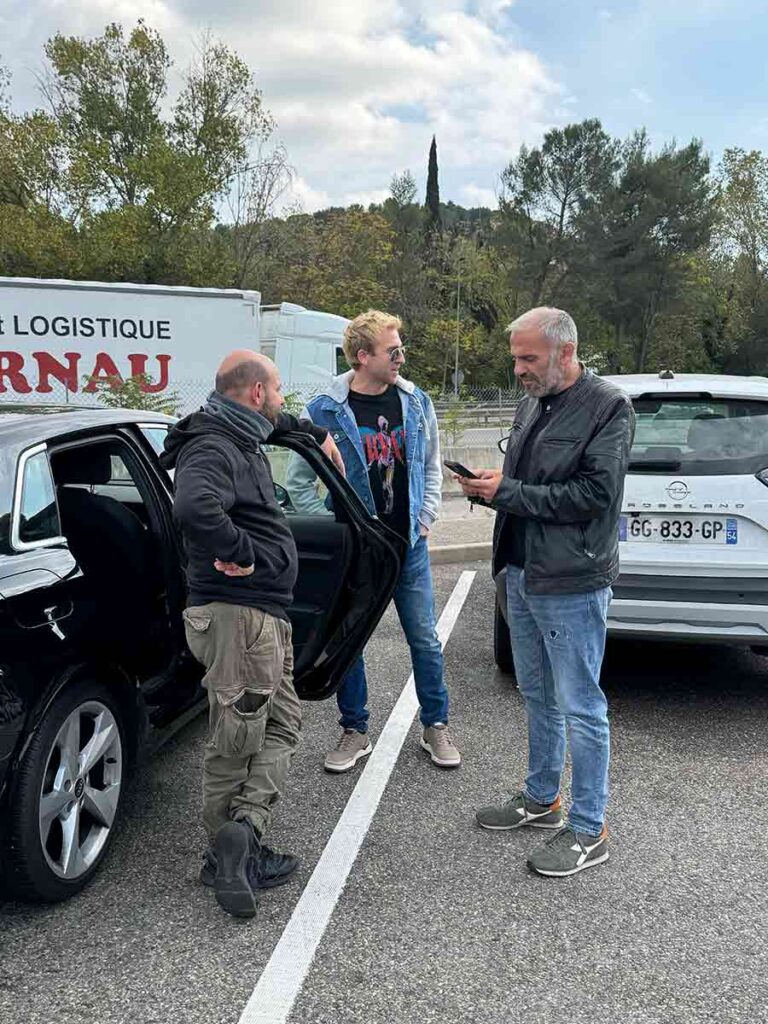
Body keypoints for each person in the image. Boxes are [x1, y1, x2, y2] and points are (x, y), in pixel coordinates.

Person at [161, 350, 343, 918]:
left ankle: (245, 831)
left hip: (261, 618)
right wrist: (241, 553)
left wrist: (314, 432)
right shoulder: (213, 446)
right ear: (257, 393)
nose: (282, 399)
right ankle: (225, 855)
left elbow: (281, 421)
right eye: (279, 390)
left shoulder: (240, 429)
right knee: (236, 737)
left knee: (283, 725)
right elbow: (193, 507)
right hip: (238, 618)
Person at [458, 308, 634, 877]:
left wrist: (508, 492)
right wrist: (493, 489)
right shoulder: (533, 401)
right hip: (520, 571)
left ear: (566, 351)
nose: (518, 370)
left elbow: (592, 495)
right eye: (515, 357)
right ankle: (541, 798)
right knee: (536, 694)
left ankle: (589, 829)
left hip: (570, 580)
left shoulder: (609, 407)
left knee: (582, 706)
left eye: (528, 358)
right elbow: (529, 485)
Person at [286, 310, 460, 772]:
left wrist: (425, 518)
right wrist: (333, 523)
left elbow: (429, 464)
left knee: (423, 638)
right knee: (351, 640)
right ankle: (355, 729)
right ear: (363, 357)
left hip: (408, 546)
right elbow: (300, 479)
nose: (402, 357)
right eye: (393, 350)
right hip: (357, 551)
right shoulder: (324, 409)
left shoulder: (416, 402)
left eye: (401, 348)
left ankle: (436, 725)